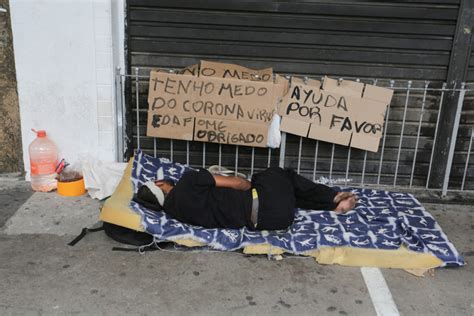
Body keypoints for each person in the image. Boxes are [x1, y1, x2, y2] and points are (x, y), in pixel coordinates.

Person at [136, 167, 357, 231]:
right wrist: (254, 183)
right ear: (159, 184)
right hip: (264, 202)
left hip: (271, 222)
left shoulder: (175, 213)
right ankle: (333, 195)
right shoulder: (187, 180)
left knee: (285, 194)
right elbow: (237, 183)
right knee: (278, 176)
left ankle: (335, 205)